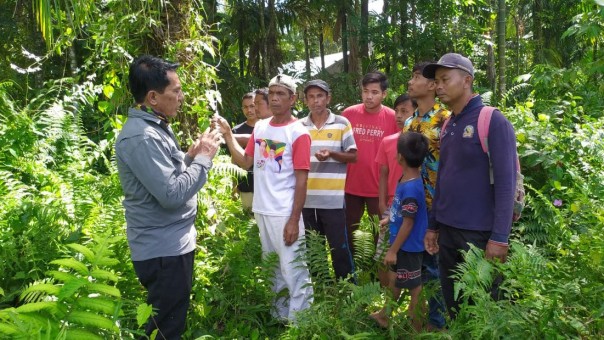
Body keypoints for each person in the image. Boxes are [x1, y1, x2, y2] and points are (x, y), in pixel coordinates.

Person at [115, 55, 222, 339]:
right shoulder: (142, 137)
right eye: (175, 91)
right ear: (152, 97)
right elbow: (172, 194)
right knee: (166, 329)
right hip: (163, 251)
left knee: (169, 321)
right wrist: (204, 159)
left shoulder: (154, 128)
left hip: (171, 245)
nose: (181, 97)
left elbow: (167, 177)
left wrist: (190, 155)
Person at [422, 53, 517, 319]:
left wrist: (499, 237)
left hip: (479, 235)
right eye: (436, 81)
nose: (438, 86)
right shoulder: (449, 124)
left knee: (484, 310)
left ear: (467, 80)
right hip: (449, 233)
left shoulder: (492, 120)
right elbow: (443, 178)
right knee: (456, 308)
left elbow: (506, 184)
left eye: (444, 79)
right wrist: (433, 224)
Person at [217, 74, 313, 322]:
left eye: (281, 94)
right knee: (272, 267)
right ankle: (280, 317)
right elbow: (246, 162)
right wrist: (228, 136)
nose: (275, 98)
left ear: (293, 99)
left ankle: (301, 323)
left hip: (284, 212)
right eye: (272, 93)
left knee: (294, 268)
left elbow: (302, 181)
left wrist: (294, 219)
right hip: (262, 209)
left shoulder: (299, 133)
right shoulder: (261, 127)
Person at [405, 61, 450, 330]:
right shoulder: (410, 121)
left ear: (432, 85)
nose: (410, 82)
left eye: (416, 77)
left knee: (436, 265)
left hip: (438, 204)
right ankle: (418, 317)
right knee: (418, 264)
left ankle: (439, 322)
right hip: (414, 204)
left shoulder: (445, 118)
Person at [369, 131, 430, 330]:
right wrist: (389, 218)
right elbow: (402, 213)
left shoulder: (411, 188)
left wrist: (393, 250)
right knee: (396, 279)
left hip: (408, 247)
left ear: (400, 157)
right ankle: (385, 315)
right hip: (402, 243)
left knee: (414, 286)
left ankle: (417, 325)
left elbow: (409, 223)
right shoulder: (407, 179)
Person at [300, 79, 357, 281]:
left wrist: (332, 153)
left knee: (339, 249)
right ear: (305, 100)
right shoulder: (299, 127)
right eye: (311, 97)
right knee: (313, 251)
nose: (316, 101)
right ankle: (320, 293)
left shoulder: (342, 123)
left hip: (332, 200)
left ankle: (349, 292)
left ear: (328, 98)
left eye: (320, 96)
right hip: (305, 200)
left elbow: (353, 156)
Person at [342, 71, 398, 253]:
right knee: (349, 230)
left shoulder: (392, 117)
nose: (369, 96)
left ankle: (378, 271)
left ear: (384, 94)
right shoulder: (349, 114)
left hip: (379, 187)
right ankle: (351, 270)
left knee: (380, 231)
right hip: (350, 185)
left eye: (374, 92)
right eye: (366, 91)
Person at [374, 94, 416, 288]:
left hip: (412, 205)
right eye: (397, 111)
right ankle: (386, 298)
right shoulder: (388, 141)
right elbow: (383, 173)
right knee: (383, 252)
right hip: (391, 205)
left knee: (410, 253)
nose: (398, 116)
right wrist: (382, 203)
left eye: (404, 111)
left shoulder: (420, 142)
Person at [231, 92, 257, 210]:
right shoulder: (236, 131)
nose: (249, 110)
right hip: (245, 185)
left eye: (252, 106)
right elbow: (234, 160)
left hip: (266, 186)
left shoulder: (267, 128)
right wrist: (234, 186)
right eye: (245, 107)